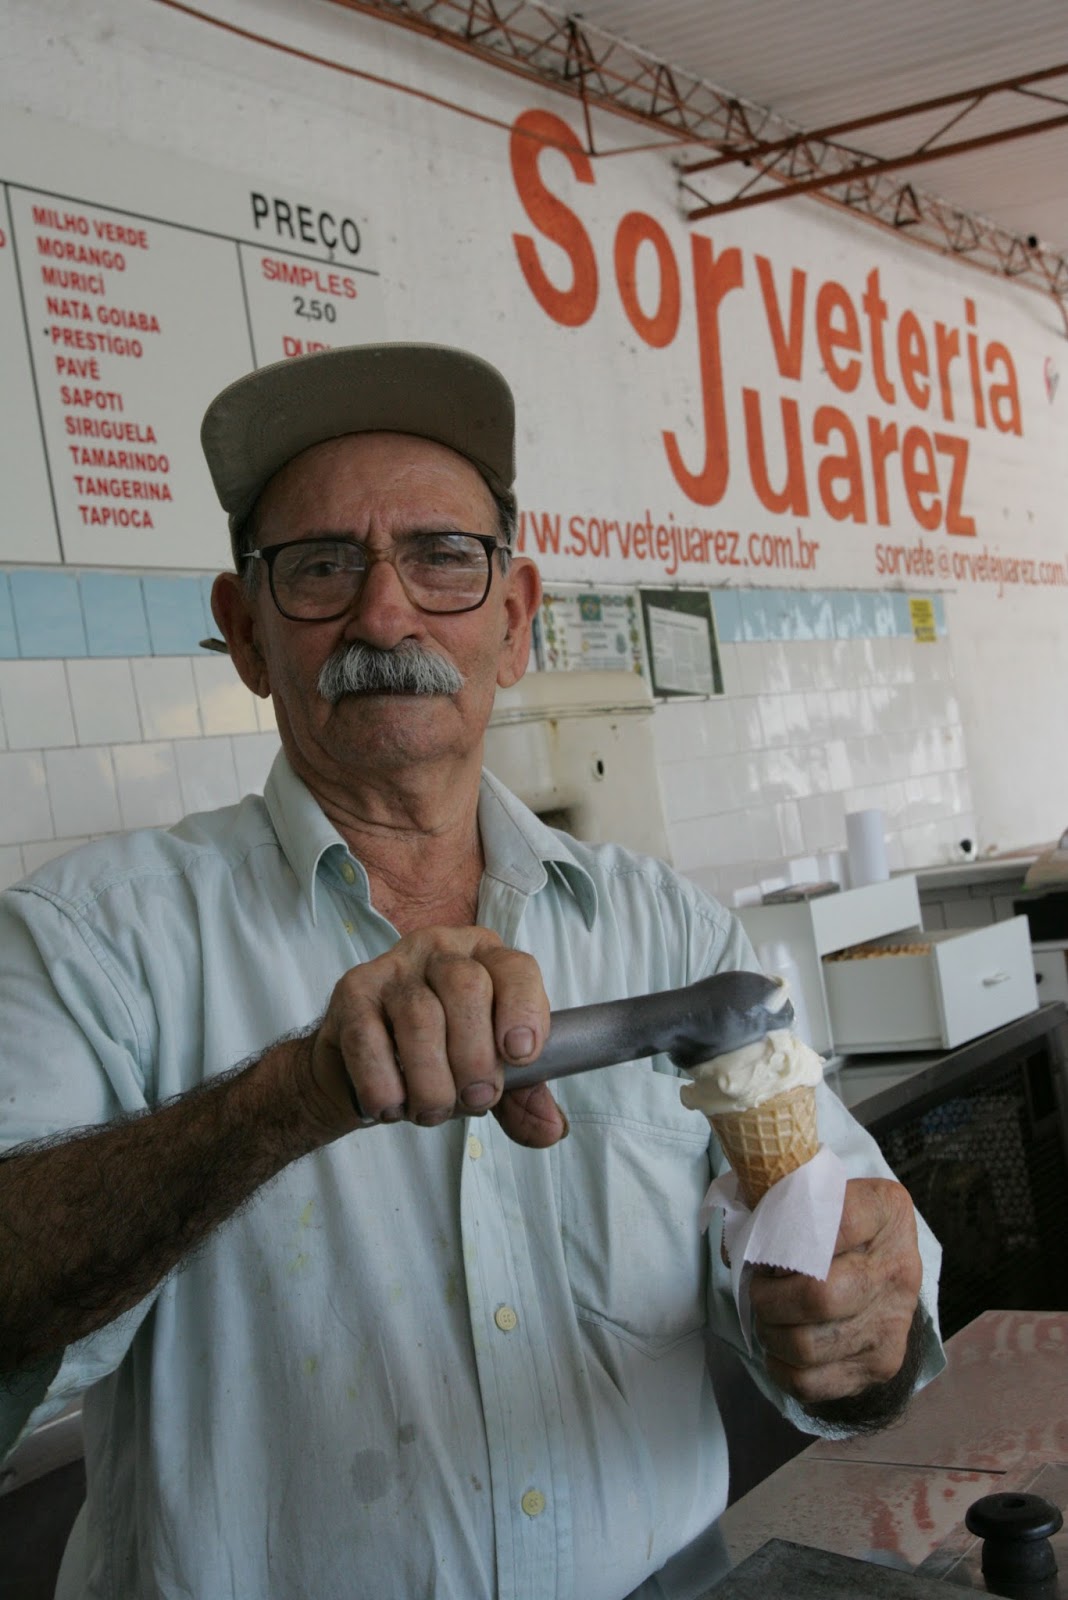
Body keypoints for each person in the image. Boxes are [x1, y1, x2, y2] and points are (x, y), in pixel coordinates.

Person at [0, 343, 943, 1600]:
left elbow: (857, 1277)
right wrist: (297, 1095)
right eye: (323, 566)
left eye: (443, 558)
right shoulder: (90, 939)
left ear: (513, 614)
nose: (385, 615)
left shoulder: (670, 934)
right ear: (243, 631)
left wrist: (861, 1331)